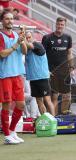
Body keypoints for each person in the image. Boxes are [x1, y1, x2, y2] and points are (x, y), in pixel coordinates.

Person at [0, 11, 27, 144]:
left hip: (17, 74)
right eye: (7, 19)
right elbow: (2, 54)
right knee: (6, 106)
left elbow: (24, 51)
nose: (10, 21)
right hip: (5, 75)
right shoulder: (0, 35)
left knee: (21, 105)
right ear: (2, 21)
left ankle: (12, 131)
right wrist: (16, 44)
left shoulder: (16, 34)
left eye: (11, 18)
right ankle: (7, 135)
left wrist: (22, 41)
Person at [42, 17, 73, 115]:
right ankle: (52, 118)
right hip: (51, 71)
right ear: (55, 24)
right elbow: (42, 55)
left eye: (62, 25)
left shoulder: (68, 38)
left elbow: (69, 53)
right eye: (58, 24)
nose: (60, 26)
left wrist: (71, 67)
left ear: (65, 26)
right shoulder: (47, 38)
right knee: (54, 97)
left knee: (67, 96)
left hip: (65, 71)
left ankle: (63, 116)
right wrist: (45, 69)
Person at [25, 31, 55, 116]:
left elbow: (30, 45)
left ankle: (54, 122)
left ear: (33, 37)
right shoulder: (26, 49)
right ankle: (45, 120)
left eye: (29, 37)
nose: (28, 39)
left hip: (42, 77)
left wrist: (22, 39)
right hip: (33, 78)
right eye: (26, 38)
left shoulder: (37, 45)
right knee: (39, 101)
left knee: (47, 100)